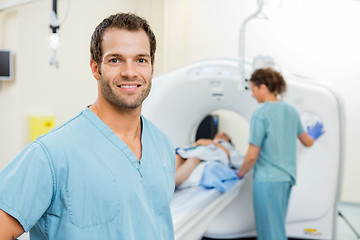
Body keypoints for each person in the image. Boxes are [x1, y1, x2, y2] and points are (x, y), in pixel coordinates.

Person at [0, 13, 175, 240]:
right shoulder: (51, 154)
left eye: (141, 59)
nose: (130, 72)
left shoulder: (162, 144)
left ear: (151, 67)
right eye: (115, 60)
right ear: (95, 68)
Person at [236, 68, 324, 240]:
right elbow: (307, 142)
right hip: (286, 179)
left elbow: (252, 155)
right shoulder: (291, 110)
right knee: (276, 225)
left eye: (253, 90)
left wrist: (240, 173)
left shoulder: (260, 114)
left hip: (268, 181)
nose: (253, 95)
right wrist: (314, 134)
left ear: (263, 87)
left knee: (270, 232)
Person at [175, 131, 243, 187]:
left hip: (201, 156)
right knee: (177, 156)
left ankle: (171, 184)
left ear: (229, 141)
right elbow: (193, 147)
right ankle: (168, 183)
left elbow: (238, 161)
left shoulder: (228, 147)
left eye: (224, 135)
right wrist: (200, 142)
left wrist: (217, 145)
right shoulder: (207, 142)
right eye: (218, 134)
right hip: (190, 153)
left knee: (193, 159)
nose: (220, 136)